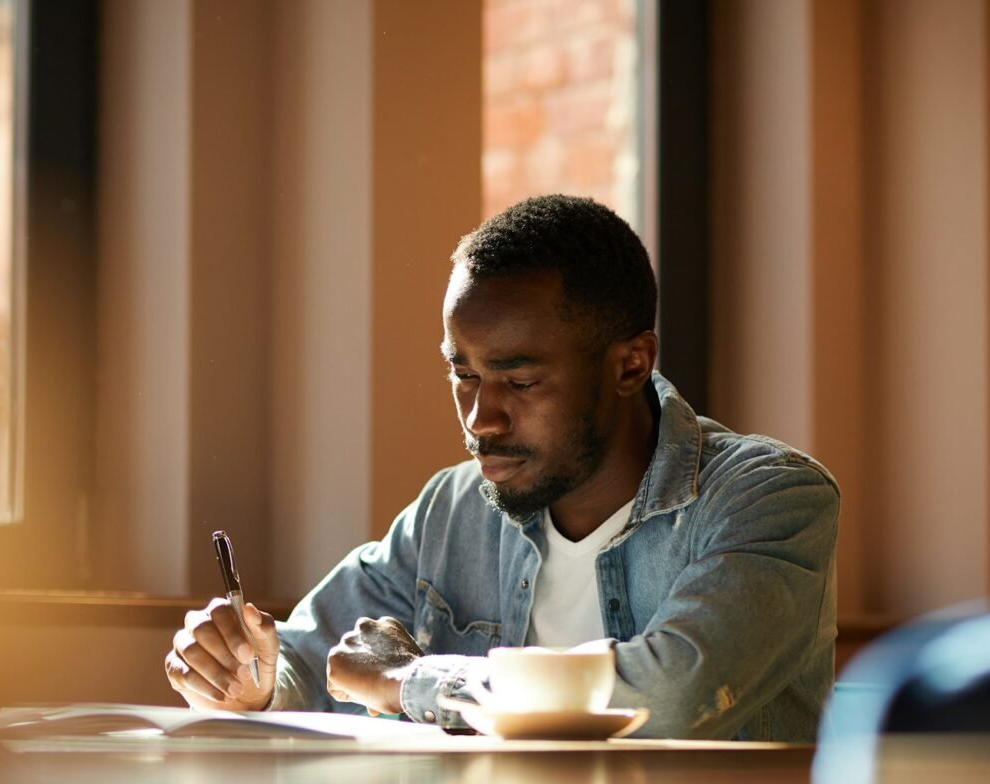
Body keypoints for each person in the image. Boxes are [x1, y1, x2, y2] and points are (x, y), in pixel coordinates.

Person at [164, 194, 840, 741]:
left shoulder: (770, 499)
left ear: (630, 364)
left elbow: (673, 691)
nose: (479, 419)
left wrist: (412, 681)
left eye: (519, 382)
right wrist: (245, 682)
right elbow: (305, 667)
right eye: (463, 374)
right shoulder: (453, 508)